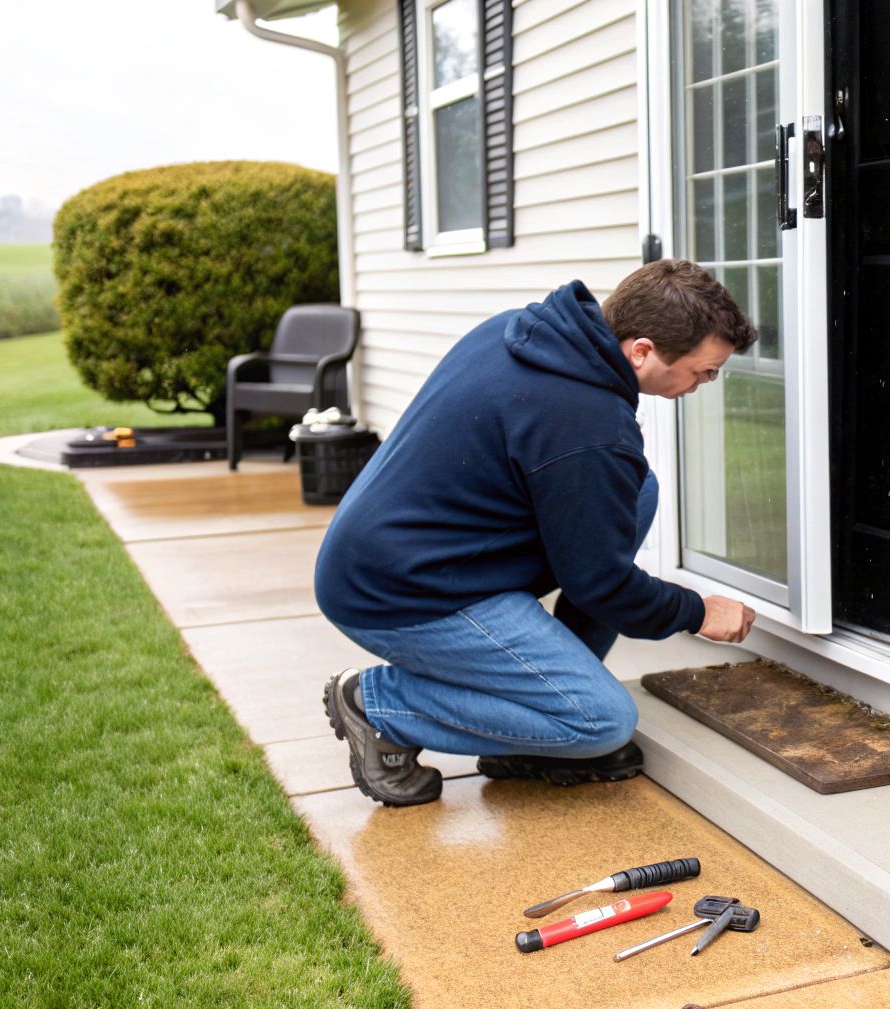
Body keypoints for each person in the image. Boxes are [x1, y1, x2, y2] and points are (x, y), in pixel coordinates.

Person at [313, 260, 758, 806]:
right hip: (400, 591)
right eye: (703, 371)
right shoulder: (586, 426)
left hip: (415, 551)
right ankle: (379, 706)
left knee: (637, 489)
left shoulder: (532, 333)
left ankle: (537, 718)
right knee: (601, 723)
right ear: (641, 351)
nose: (704, 384)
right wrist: (697, 612)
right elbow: (603, 586)